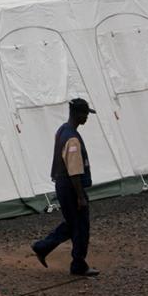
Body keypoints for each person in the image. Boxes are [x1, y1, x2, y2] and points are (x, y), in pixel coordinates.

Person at [32, 98, 99, 277]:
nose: (87, 118)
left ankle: (42, 247)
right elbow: (74, 170)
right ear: (77, 114)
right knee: (81, 226)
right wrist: (80, 196)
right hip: (71, 186)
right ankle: (78, 265)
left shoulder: (62, 130)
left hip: (62, 185)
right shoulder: (73, 140)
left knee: (72, 224)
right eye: (85, 114)